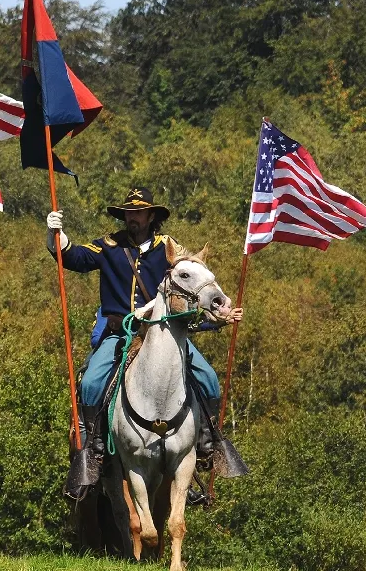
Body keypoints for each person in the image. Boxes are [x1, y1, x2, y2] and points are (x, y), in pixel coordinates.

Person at [47, 186, 245, 499]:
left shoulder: (169, 247)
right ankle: (94, 450)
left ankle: (208, 443)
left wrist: (217, 314)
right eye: (129, 213)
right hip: (120, 333)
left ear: (151, 216)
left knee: (208, 378)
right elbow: (74, 257)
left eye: (139, 213)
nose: (133, 218)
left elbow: (192, 280)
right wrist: (55, 235)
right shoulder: (109, 245)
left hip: (164, 332)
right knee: (92, 383)